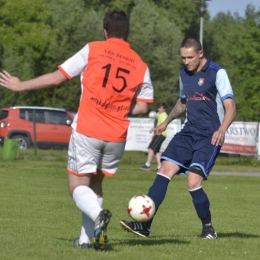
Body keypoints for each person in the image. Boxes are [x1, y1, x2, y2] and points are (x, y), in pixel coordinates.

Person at [0, 10, 154, 250]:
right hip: (116, 136)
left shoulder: (93, 49)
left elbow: (56, 78)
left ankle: (98, 214)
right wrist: (118, 105)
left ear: (105, 31)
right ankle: (85, 240)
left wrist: (21, 85)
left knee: (77, 186)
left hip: (88, 129)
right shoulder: (140, 64)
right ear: (127, 33)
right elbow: (143, 106)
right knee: (95, 185)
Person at [120, 36, 236, 239]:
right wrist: (166, 121)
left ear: (200, 54)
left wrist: (222, 129)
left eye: (190, 57)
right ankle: (145, 226)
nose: (186, 62)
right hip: (188, 132)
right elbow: (183, 102)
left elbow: (231, 108)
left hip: (210, 136)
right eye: (183, 58)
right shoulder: (184, 73)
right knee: (164, 170)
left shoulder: (217, 73)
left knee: (192, 181)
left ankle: (208, 228)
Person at [140, 102, 168, 171]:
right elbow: (156, 124)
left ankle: (147, 165)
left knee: (151, 148)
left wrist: (154, 129)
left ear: (164, 109)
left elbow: (162, 125)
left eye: (161, 108)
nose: (159, 109)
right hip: (157, 134)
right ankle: (160, 167)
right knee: (156, 151)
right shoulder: (157, 114)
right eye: (158, 108)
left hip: (161, 134)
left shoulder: (164, 115)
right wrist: (154, 134)